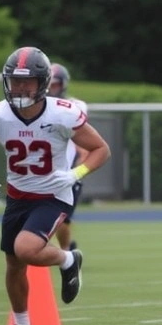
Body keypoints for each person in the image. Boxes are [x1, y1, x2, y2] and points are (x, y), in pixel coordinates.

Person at [0, 47, 111, 325]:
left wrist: (76, 174)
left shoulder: (61, 113)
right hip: (17, 196)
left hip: (53, 195)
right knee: (13, 264)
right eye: (14, 81)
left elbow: (101, 149)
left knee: (26, 248)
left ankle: (69, 259)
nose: (19, 88)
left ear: (42, 83)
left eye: (26, 82)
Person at [47, 63, 89, 252]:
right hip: (41, 171)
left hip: (66, 170)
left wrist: (78, 171)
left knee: (63, 218)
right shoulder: (33, 108)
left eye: (54, 85)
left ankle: (65, 252)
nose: (50, 90)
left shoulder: (73, 107)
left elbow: (85, 142)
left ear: (63, 85)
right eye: (48, 84)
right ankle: (66, 249)